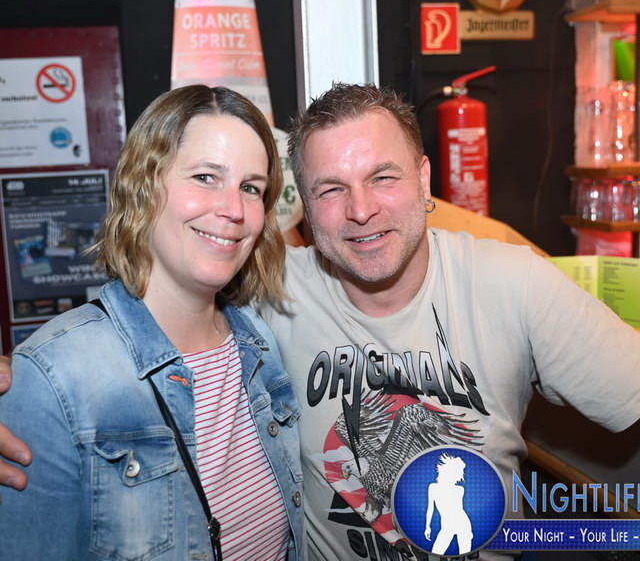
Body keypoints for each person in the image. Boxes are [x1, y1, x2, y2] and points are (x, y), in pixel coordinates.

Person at [2, 82, 640, 561]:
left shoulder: (513, 282)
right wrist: (22, 386)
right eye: (331, 189)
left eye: (383, 177)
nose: (361, 210)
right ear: (304, 208)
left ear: (424, 179)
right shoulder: (267, 292)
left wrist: (564, 533)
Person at [0, 85, 304, 561]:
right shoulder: (56, 378)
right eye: (205, 177)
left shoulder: (260, 342)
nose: (233, 209)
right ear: (143, 185)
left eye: (251, 188)